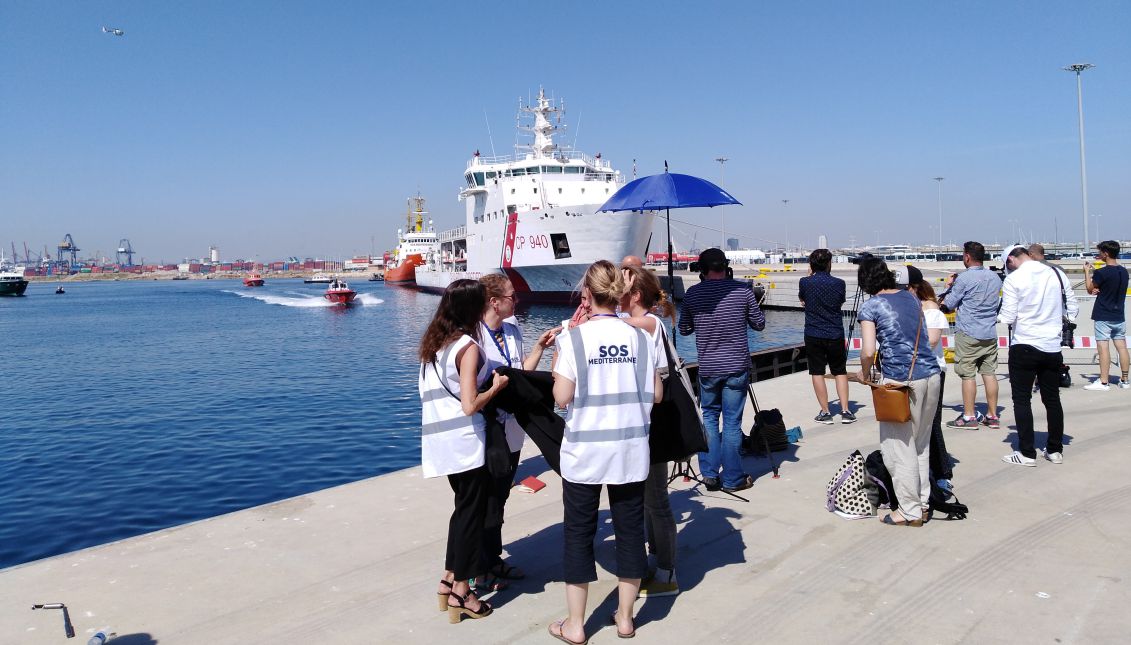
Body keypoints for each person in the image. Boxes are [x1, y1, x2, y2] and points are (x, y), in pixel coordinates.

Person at [550, 260, 662, 643]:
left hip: (585, 453)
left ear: (587, 294)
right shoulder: (642, 338)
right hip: (630, 450)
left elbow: (562, 397)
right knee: (631, 531)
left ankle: (577, 625)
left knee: (579, 534)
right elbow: (657, 394)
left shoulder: (574, 339)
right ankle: (626, 618)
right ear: (619, 294)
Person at [418, 279, 509, 623]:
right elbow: (470, 405)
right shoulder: (468, 347)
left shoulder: (434, 347)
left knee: (462, 512)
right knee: (471, 516)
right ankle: (462, 591)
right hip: (466, 444)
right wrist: (497, 386)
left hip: (440, 443)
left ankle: (447, 579)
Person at [475, 274, 558, 591]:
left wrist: (539, 347)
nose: (517, 300)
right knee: (485, 496)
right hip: (487, 427)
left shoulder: (512, 330)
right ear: (495, 301)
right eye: (512, 296)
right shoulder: (474, 336)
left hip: (512, 426)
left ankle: (493, 559)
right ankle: (479, 566)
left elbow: (521, 372)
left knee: (500, 494)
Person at [855, 257, 941, 526]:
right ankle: (922, 503)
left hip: (900, 383)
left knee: (898, 447)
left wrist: (864, 372)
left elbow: (869, 350)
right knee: (921, 444)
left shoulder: (871, 306)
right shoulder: (911, 298)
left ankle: (908, 511)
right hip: (931, 376)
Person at [678, 247, 766, 493]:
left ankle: (709, 474)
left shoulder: (693, 293)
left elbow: (684, 330)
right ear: (726, 268)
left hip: (708, 368)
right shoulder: (742, 290)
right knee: (731, 423)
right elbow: (759, 324)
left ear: (702, 271)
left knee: (708, 418)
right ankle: (732, 478)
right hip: (737, 366)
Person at [619, 266, 680, 597]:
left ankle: (668, 571)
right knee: (647, 498)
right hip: (645, 419)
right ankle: (657, 558)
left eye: (625, 288)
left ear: (636, 295)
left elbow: (613, 322)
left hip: (655, 422)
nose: (618, 292)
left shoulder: (649, 322)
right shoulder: (638, 323)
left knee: (657, 498)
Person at [998, 247, 1078, 465]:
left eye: (1008, 265)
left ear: (1013, 259)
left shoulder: (1014, 279)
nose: (1009, 269)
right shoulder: (1056, 273)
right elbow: (1072, 306)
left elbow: (1008, 316)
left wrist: (999, 317)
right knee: (1052, 399)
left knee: (1022, 399)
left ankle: (1026, 453)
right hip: (1052, 346)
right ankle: (1054, 450)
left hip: (1024, 344)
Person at [898, 265, 954, 488]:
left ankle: (942, 473)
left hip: (932, 371)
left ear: (914, 287)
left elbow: (931, 341)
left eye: (905, 288)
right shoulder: (909, 306)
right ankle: (922, 468)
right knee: (914, 423)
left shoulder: (931, 309)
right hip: (912, 372)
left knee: (932, 423)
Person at [939, 241, 1002, 429]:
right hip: (989, 332)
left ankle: (969, 416)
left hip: (968, 332)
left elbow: (946, 305)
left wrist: (949, 285)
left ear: (967, 256)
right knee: (989, 373)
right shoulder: (995, 278)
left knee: (968, 375)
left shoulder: (964, 279)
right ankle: (992, 415)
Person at [798, 248, 853, 424]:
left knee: (817, 372)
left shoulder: (805, 282)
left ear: (812, 265)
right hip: (835, 332)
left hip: (813, 332)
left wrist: (809, 275)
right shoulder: (839, 283)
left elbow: (803, 301)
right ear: (829, 263)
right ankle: (845, 411)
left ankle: (825, 412)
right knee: (840, 372)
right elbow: (840, 302)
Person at [1083, 240, 1130, 390]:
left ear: (1106, 253)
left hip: (1103, 314)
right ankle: (1125, 379)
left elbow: (1090, 289)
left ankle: (1103, 381)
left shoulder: (1101, 272)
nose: (1099, 255)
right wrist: (1099, 289)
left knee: (1103, 347)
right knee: (1122, 347)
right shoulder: (1123, 271)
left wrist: (1087, 272)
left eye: (1100, 252)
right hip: (1118, 314)